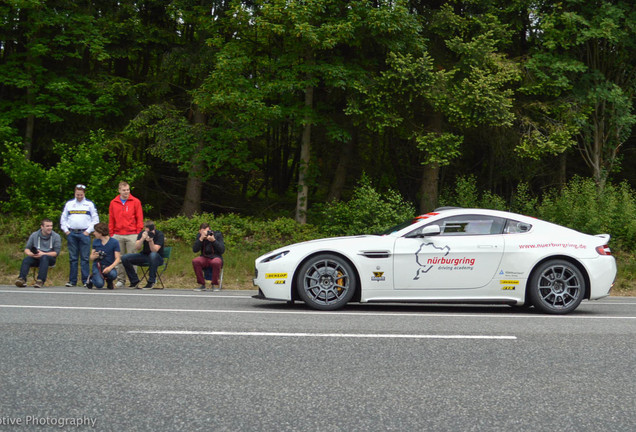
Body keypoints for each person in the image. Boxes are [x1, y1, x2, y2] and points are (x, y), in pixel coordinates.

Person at [60, 184, 99, 287]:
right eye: (77, 194)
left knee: (85, 258)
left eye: (81, 194)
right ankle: (72, 281)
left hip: (84, 233)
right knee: (73, 258)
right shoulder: (69, 204)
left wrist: (88, 231)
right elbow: (63, 219)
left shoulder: (89, 204)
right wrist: (66, 231)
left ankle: (85, 281)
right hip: (72, 233)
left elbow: (95, 220)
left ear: (84, 194)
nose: (79, 196)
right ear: (75, 193)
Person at [109, 181, 143, 288]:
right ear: (119, 190)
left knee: (132, 258)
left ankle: (134, 280)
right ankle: (121, 280)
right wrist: (111, 233)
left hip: (132, 234)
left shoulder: (135, 201)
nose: (126, 192)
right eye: (124, 190)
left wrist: (138, 232)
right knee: (119, 258)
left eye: (128, 190)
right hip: (118, 234)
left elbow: (139, 218)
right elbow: (111, 219)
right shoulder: (113, 202)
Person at [15, 219, 62, 288]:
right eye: (47, 226)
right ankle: (22, 279)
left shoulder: (56, 236)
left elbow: (56, 253)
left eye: (51, 226)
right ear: (42, 227)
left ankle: (40, 280)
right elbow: (27, 248)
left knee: (44, 257)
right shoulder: (34, 235)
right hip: (36, 257)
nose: (50, 228)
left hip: (49, 258)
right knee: (26, 260)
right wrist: (30, 254)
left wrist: (43, 254)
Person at [120, 220, 164, 290]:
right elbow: (137, 248)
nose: (149, 231)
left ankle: (151, 281)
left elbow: (154, 250)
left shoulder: (159, 234)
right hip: (145, 255)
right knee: (125, 258)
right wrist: (142, 238)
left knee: (153, 255)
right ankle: (134, 281)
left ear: (154, 227)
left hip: (157, 257)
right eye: (146, 228)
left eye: (150, 228)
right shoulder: (142, 233)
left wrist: (150, 240)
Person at [86, 222, 121, 290]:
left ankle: (109, 280)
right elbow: (91, 257)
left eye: (95, 231)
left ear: (100, 233)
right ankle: (92, 279)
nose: (94, 233)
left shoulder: (114, 242)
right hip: (98, 266)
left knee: (113, 274)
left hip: (108, 265)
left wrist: (110, 268)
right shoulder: (96, 241)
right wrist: (95, 256)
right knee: (99, 285)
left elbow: (117, 258)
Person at [192, 223, 225, 292]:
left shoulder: (217, 235)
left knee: (216, 262)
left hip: (216, 257)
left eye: (207, 231)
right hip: (204, 257)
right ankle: (202, 284)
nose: (205, 233)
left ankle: (214, 284)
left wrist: (214, 241)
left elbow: (222, 250)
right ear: (200, 231)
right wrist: (201, 239)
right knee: (196, 261)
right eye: (203, 231)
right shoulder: (199, 236)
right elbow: (195, 250)